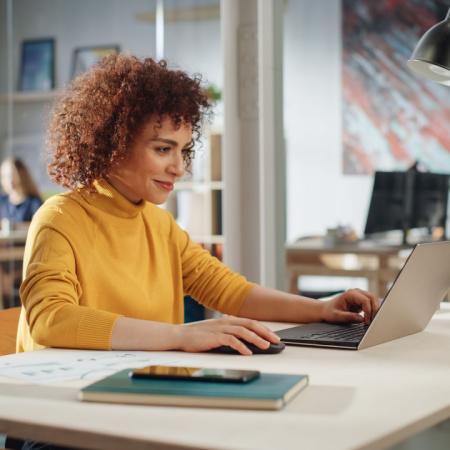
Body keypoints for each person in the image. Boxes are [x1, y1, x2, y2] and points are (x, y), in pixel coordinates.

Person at [16, 53, 380, 356]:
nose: (179, 167)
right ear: (112, 146)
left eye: (184, 151)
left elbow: (229, 292)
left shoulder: (159, 225)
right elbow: (51, 318)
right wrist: (179, 336)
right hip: (56, 413)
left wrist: (320, 308)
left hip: (137, 392)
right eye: (163, 149)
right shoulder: (60, 219)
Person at [0, 158, 42, 308]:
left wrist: (15, 227)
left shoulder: (33, 202)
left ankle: (9, 286)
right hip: (5, 253)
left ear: (21, 175)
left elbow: (39, 225)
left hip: (25, 254)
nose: (8, 180)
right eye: (4, 176)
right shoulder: (3, 201)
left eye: (11, 175)